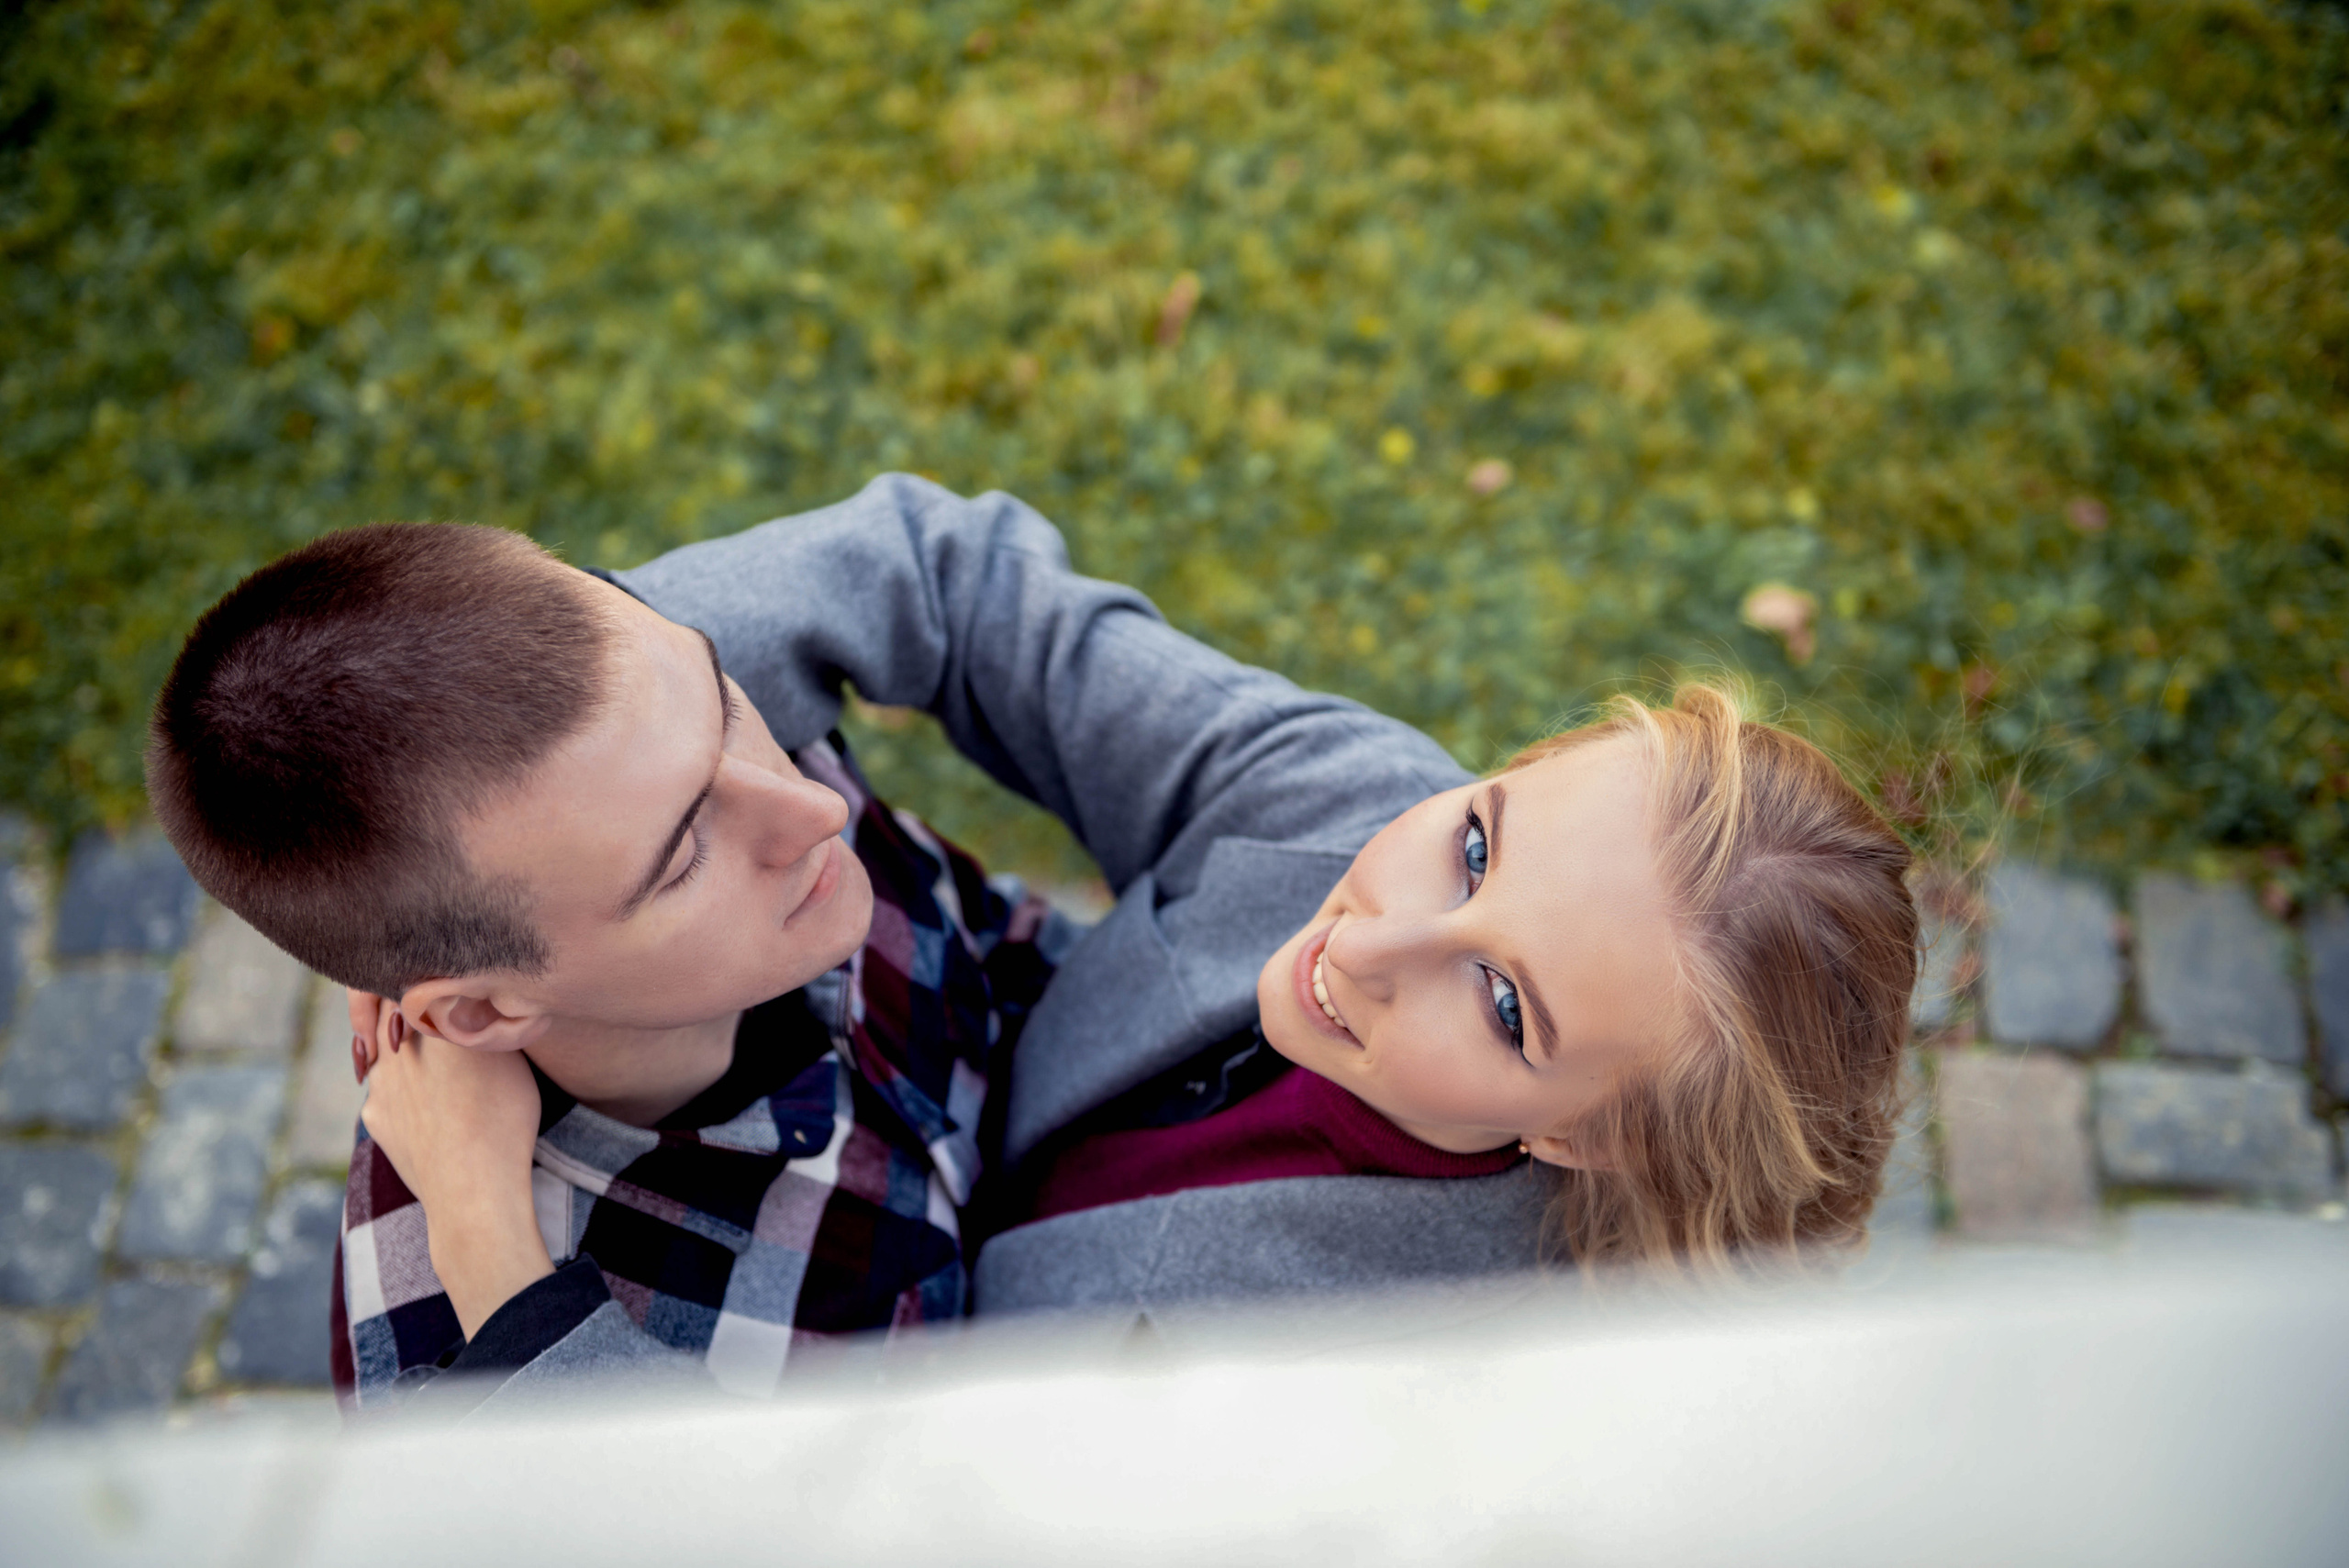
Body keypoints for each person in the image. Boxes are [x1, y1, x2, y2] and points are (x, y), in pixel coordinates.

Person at [148, 475, 1916, 1409]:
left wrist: (482, 1228)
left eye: (1508, 1002)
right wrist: (595, 704)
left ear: (1590, 1133)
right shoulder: (1345, 809)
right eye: (1476, 834)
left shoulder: (1440, 1386)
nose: (1370, 935)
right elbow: (957, 576)